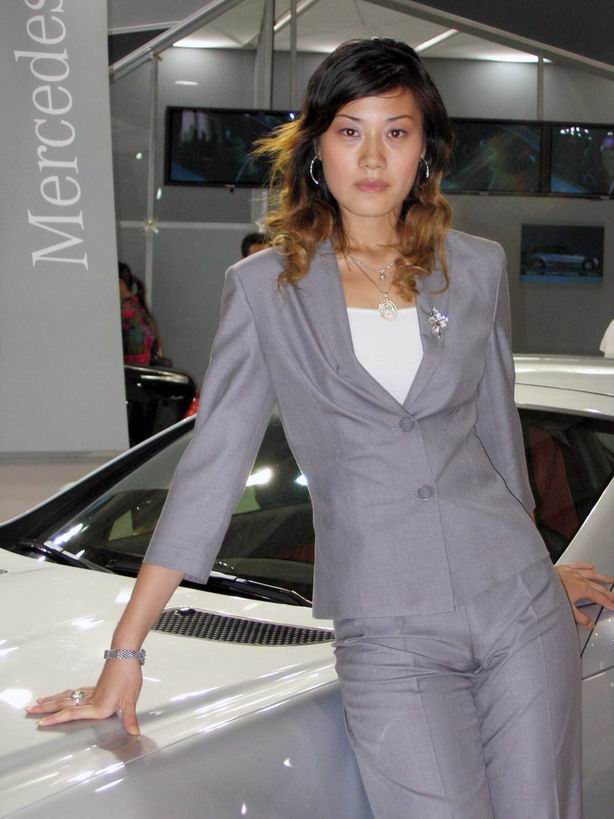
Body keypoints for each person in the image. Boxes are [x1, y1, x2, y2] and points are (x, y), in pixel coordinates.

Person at [28, 38, 614, 818]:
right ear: (316, 149)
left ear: (426, 150)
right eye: (349, 131)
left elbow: (497, 437)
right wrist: (125, 649)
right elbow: (211, 469)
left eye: (396, 132)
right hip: (389, 634)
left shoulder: (474, 268)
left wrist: (541, 563)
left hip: (518, 609)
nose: (372, 157)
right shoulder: (266, 288)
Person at [118, 261, 169, 366]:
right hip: (142, 371)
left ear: (120, 283)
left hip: (128, 372)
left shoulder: (122, 313)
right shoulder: (141, 310)